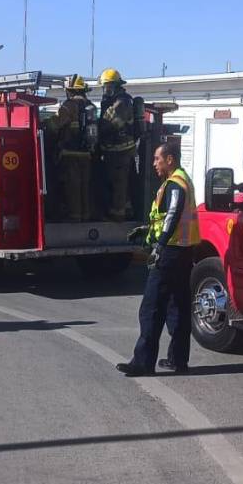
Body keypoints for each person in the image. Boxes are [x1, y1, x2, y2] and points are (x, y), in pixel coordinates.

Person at [116, 142, 200, 376]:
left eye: (157, 159)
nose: (154, 164)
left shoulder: (175, 184)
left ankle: (142, 363)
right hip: (183, 251)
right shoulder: (184, 179)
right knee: (178, 307)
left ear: (170, 159)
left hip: (171, 252)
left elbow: (173, 214)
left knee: (151, 308)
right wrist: (147, 230)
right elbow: (167, 217)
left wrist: (160, 245)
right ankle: (178, 360)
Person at [97, 67, 137, 222]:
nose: (106, 90)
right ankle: (122, 211)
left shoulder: (122, 102)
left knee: (119, 183)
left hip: (122, 151)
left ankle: (118, 216)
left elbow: (110, 124)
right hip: (113, 150)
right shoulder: (111, 101)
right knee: (114, 183)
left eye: (108, 87)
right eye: (104, 87)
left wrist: (96, 131)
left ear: (116, 86)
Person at [55, 75, 96, 221]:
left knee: (73, 187)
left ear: (70, 91)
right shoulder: (90, 106)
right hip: (87, 153)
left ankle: (75, 218)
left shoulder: (67, 106)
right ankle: (87, 216)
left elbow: (57, 125)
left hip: (70, 153)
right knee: (86, 186)